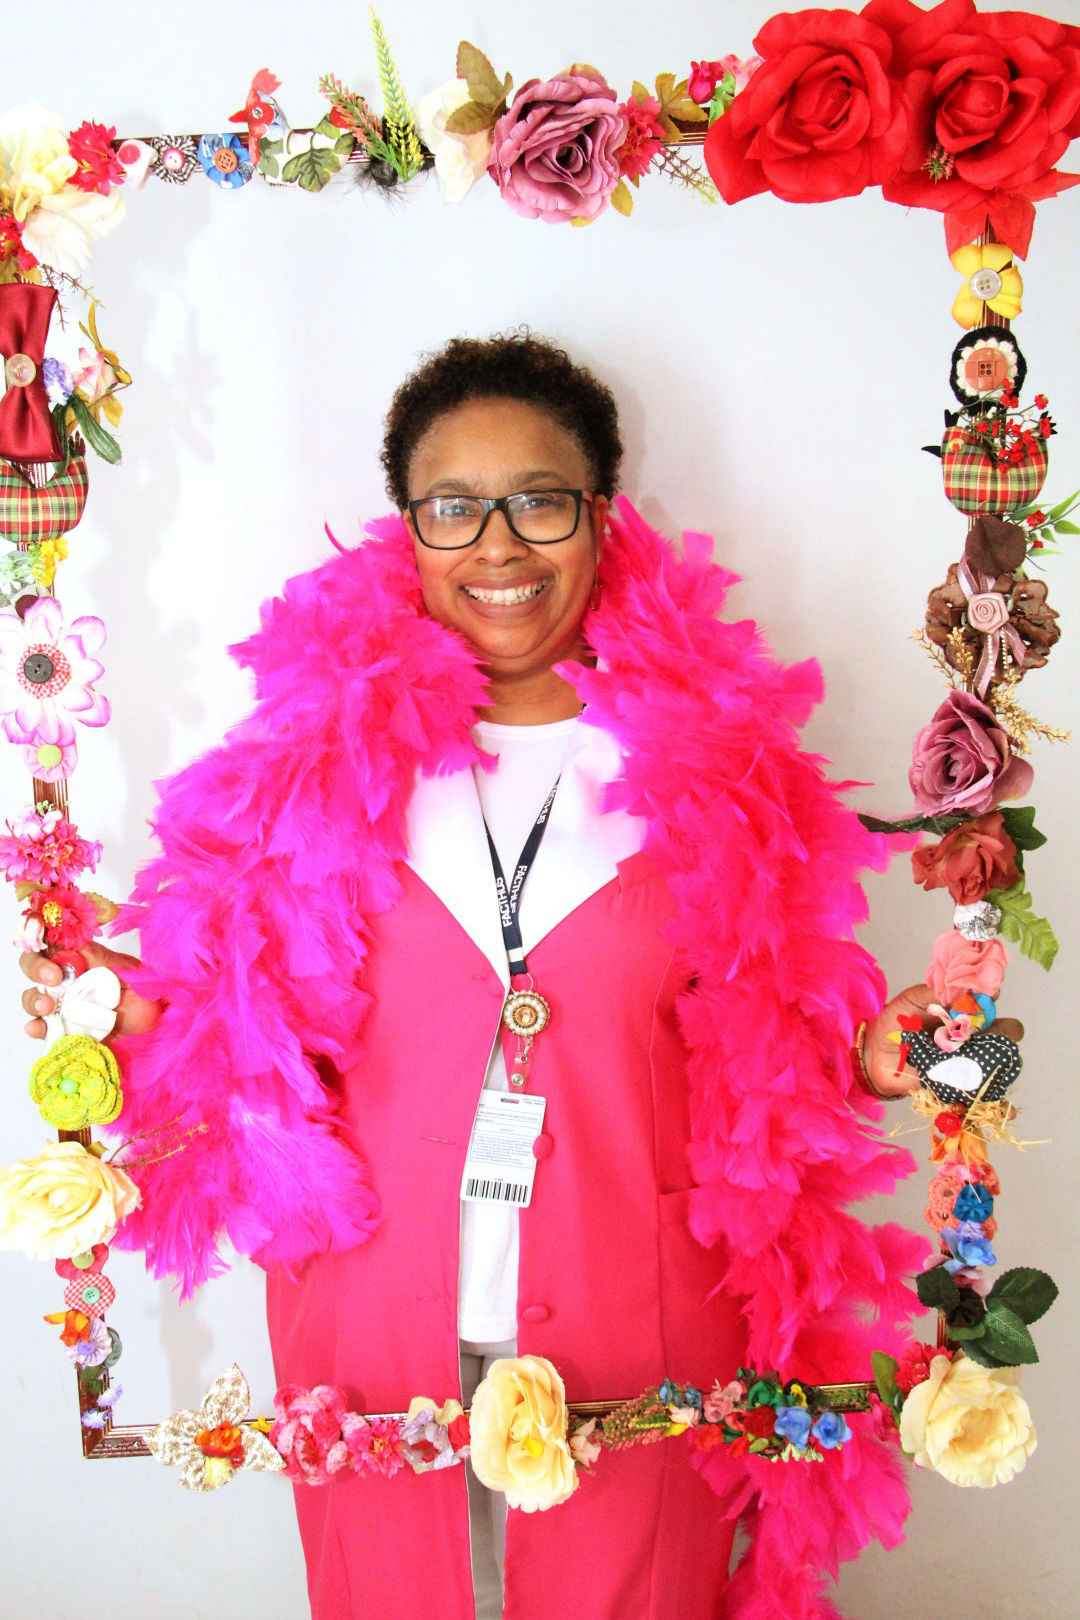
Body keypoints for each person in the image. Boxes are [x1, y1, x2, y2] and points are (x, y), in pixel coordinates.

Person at [21, 332, 925, 1620]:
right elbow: (241, 1032)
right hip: (372, 1321)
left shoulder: (713, 767)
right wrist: (120, 1009)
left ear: (601, 517)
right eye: (454, 508)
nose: (499, 546)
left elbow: (770, 1049)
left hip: (643, 1323)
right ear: (410, 532)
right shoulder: (317, 765)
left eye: (539, 501)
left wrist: (883, 1057)